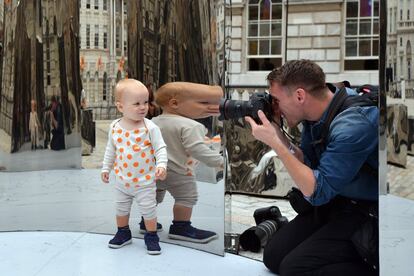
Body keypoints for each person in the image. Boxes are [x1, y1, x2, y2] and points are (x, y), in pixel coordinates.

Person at [245, 60, 378, 275]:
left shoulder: (354, 125)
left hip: (366, 213)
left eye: (277, 100)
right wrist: (279, 135)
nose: (274, 107)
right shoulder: (316, 110)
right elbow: (308, 162)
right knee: (273, 256)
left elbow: (317, 191)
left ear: (299, 96)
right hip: (338, 203)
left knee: (294, 268)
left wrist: (276, 145)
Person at [101, 79, 168, 255]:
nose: (143, 107)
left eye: (145, 102)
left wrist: (161, 165)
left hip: (145, 181)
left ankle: (151, 235)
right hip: (122, 181)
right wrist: (105, 168)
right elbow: (111, 149)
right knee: (121, 209)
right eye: (137, 103)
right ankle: (123, 233)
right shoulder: (115, 127)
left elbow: (160, 147)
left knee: (149, 210)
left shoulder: (150, 127)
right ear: (120, 106)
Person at [152, 82, 224, 243]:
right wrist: (219, 161)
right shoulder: (191, 125)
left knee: (154, 196)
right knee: (186, 198)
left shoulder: (154, 121)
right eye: (203, 103)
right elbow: (198, 149)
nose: (208, 107)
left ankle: (147, 222)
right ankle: (181, 227)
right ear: (175, 103)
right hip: (180, 171)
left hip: (155, 170)